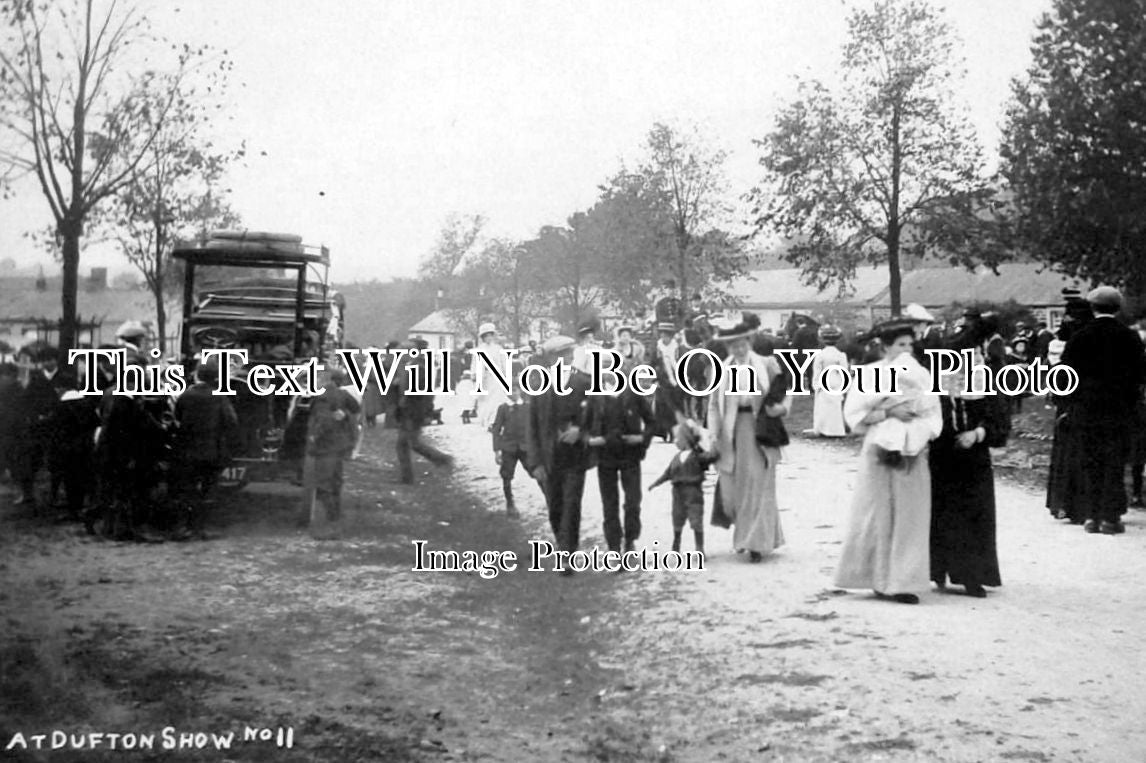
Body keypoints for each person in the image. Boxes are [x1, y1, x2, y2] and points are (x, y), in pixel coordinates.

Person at [834, 321, 943, 604]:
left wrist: (918, 426)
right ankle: (876, 577)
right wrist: (888, 412)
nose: (907, 350)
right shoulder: (870, 374)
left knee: (910, 514)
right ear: (885, 348)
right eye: (900, 345)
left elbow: (933, 413)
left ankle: (903, 581)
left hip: (912, 448)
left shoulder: (921, 375)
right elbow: (855, 415)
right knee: (877, 513)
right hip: (880, 449)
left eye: (910, 345)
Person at [1059, 286, 1146, 534]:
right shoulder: (1129, 337)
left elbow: (1064, 376)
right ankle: (1110, 517)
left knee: (1091, 461)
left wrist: (1069, 404)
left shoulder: (1080, 336)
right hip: (1120, 410)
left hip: (1086, 410)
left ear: (1093, 307)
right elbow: (1140, 374)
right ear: (1118, 308)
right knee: (1115, 462)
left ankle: (1091, 516)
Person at [705, 315, 787, 562]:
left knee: (759, 483)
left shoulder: (767, 364)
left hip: (760, 430)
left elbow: (785, 393)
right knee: (737, 486)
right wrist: (712, 434)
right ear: (728, 347)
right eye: (733, 345)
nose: (738, 349)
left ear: (749, 341)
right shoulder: (722, 369)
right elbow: (712, 406)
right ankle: (745, 536)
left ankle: (756, 542)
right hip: (732, 431)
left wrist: (780, 409)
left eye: (742, 343)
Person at [929, 345, 1008, 598]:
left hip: (974, 458)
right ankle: (938, 570)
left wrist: (977, 434)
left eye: (973, 355)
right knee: (941, 513)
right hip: (941, 456)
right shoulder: (937, 383)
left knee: (975, 515)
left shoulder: (985, 382)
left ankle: (972, 576)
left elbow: (999, 421)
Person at [523, 335, 592, 574]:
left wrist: (580, 430)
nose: (567, 359)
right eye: (562, 356)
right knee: (555, 506)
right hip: (548, 457)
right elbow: (531, 426)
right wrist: (535, 463)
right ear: (553, 359)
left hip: (575, 455)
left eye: (569, 355)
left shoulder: (584, 382)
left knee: (572, 503)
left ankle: (567, 553)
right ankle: (564, 544)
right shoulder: (539, 385)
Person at [584, 364, 655, 553]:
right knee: (610, 504)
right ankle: (614, 545)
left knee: (632, 502)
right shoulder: (595, 397)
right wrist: (592, 440)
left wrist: (641, 438)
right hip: (605, 457)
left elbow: (652, 422)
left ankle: (630, 539)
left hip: (630, 456)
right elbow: (583, 427)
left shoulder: (633, 395)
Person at [171, 361, 239, 540]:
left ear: (197, 375)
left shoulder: (186, 395)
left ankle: (183, 528)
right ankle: (201, 528)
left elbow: (177, 417)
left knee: (187, 490)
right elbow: (231, 421)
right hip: (211, 451)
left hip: (187, 451)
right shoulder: (219, 397)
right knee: (207, 491)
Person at [303, 367, 360, 535]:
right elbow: (356, 409)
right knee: (335, 482)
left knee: (323, 486)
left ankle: (331, 525)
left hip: (326, 446)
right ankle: (337, 518)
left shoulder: (321, 397)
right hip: (341, 445)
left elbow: (323, 420)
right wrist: (345, 415)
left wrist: (314, 437)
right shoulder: (343, 395)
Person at [649, 420, 714, 555]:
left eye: (679, 438)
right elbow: (668, 473)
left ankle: (699, 547)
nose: (676, 441)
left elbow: (712, 456)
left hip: (693, 491)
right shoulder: (676, 457)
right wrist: (655, 483)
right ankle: (676, 544)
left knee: (696, 518)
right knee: (677, 517)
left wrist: (712, 444)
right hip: (677, 492)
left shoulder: (698, 457)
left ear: (687, 439)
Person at [490, 366, 528, 518]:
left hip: (526, 447)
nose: (512, 393)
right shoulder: (503, 408)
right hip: (509, 448)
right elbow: (496, 429)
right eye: (509, 390)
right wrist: (497, 450)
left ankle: (552, 502)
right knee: (506, 476)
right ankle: (510, 503)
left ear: (520, 390)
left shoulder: (528, 407)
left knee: (539, 473)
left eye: (515, 389)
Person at [811, 325, 849, 437]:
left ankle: (823, 429)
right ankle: (836, 430)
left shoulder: (820, 355)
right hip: (836, 381)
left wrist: (816, 385)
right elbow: (844, 371)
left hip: (824, 381)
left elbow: (817, 371)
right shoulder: (840, 355)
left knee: (822, 406)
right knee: (835, 406)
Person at [651, 322, 683, 441]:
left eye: (667, 336)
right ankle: (665, 432)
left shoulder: (678, 348)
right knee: (663, 409)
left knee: (675, 407)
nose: (664, 338)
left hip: (677, 381)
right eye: (662, 336)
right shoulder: (658, 348)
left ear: (671, 337)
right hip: (662, 381)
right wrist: (654, 378)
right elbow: (652, 363)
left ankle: (675, 432)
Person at [474, 323, 508, 429]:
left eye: (490, 335)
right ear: (483, 337)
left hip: (497, 378)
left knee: (497, 400)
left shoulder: (498, 348)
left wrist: (506, 376)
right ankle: (487, 421)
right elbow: (475, 365)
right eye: (485, 336)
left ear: (493, 336)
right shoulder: (479, 349)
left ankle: (495, 422)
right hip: (485, 378)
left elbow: (504, 363)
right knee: (485, 401)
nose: (488, 338)